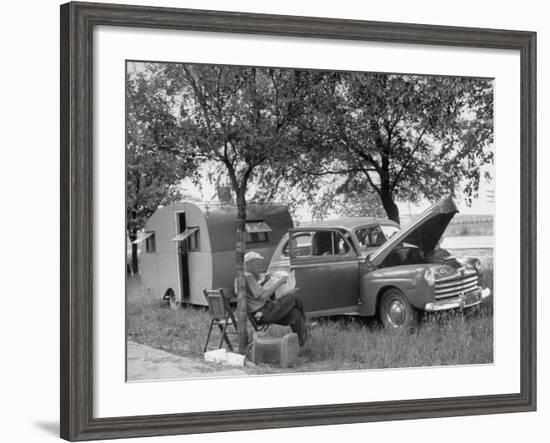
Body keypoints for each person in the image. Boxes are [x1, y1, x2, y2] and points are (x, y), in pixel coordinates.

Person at [238, 251, 308, 346]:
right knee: (293, 297)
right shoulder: (248, 276)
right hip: (262, 313)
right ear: (250, 264)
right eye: (257, 264)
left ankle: (300, 343)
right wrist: (280, 282)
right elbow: (263, 296)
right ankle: (305, 323)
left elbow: (255, 293)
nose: (258, 267)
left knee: (294, 314)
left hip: (262, 312)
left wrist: (265, 282)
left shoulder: (243, 276)